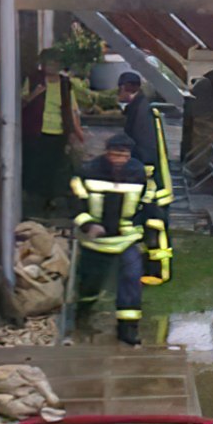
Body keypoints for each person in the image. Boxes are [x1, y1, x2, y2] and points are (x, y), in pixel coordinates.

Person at [71, 132, 150, 346]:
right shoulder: (87, 172)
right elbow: (74, 204)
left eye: (123, 156)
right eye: (115, 155)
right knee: (90, 283)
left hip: (127, 239)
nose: (119, 160)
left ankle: (128, 328)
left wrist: (145, 231)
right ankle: (82, 313)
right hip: (95, 241)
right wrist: (89, 225)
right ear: (107, 153)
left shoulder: (138, 173)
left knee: (131, 281)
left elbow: (147, 203)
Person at [21, 48, 87, 216]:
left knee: (55, 167)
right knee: (35, 166)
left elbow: (72, 109)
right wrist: (34, 94)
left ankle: (50, 200)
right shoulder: (34, 80)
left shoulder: (65, 83)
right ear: (42, 64)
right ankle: (34, 200)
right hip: (36, 132)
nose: (53, 66)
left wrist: (76, 132)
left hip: (58, 132)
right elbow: (21, 104)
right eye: (50, 63)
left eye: (56, 63)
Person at [116, 71, 155, 164]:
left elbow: (134, 136)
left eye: (120, 88)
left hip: (143, 158)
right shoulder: (142, 102)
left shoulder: (138, 107)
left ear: (125, 87)